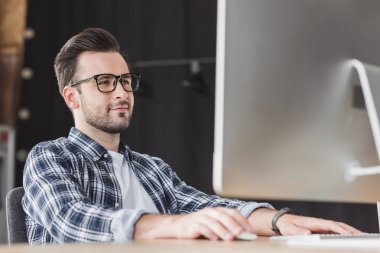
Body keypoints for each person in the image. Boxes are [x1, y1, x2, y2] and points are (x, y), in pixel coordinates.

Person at [22, 28, 360, 244]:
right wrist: (175, 226)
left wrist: (279, 221)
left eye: (126, 81)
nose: (122, 92)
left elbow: (206, 206)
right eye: (105, 82)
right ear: (71, 97)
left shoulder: (150, 169)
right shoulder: (49, 157)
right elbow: (69, 220)